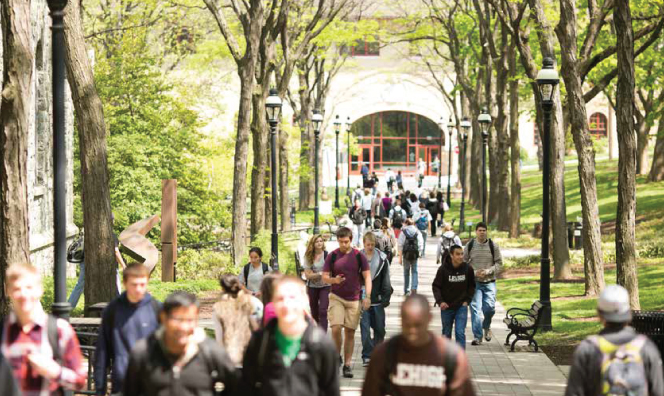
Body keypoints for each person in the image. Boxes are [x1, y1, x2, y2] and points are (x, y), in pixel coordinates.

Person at [239, 276, 340, 396]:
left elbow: (331, 390)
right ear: (273, 302)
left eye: (292, 298)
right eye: (280, 299)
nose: (286, 304)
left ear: (304, 300)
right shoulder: (260, 341)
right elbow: (246, 386)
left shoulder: (321, 343)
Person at [124, 291, 238, 396]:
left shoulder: (212, 351)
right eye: (178, 319)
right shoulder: (143, 352)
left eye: (190, 320)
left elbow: (238, 387)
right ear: (163, 318)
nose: (183, 327)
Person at [361, 294, 476, 396]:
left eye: (417, 325)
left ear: (429, 319)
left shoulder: (451, 356)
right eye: (407, 325)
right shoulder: (385, 353)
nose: (412, 331)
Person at [1, 264, 86, 395]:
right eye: (17, 288)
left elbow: (80, 382)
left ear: (40, 290)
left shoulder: (60, 330)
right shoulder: (3, 331)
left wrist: (55, 371)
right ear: (8, 291)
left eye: (29, 287)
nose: (23, 294)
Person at [564, 285, 664, 396]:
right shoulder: (646, 347)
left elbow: (573, 393)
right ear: (628, 314)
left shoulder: (587, 349)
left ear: (599, 314)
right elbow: (658, 391)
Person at [95, 263, 161, 395]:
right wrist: (100, 389)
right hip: (122, 382)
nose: (138, 289)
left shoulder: (157, 309)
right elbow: (102, 352)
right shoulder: (112, 310)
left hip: (151, 382)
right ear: (125, 283)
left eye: (142, 284)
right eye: (134, 284)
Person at [322, 227, 372, 379]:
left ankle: (348, 364)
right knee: (336, 328)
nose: (344, 244)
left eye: (346, 241)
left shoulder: (359, 256)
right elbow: (324, 277)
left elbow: (367, 277)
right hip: (336, 296)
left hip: (354, 299)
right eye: (341, 242)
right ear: (337, 241)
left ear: (351, 240)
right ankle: (337, 356)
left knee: (350, 332)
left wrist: (367, 296)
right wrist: (333, 280)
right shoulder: (332, 256)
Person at [68, 221, 126, 308]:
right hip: (104, 264)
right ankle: (119, 307)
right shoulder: (110, 235)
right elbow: (116, 251)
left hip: (85, 262)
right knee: (116, 284)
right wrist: (124, 265)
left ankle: (68, 307)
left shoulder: (90, 232)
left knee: (79, 285)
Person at [463, 222, 502, 346]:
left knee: (489, 308)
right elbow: (463, 264)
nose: (482, 232)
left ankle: (486, 326)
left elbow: (499, 264)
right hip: (474, 283)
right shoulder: (470, 245)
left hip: (489, 282)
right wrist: (474, 273)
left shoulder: (493, 246)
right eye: (480, 230)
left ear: (486, 231)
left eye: (484, 230)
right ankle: (477, 337)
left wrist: (488, 271)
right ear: (476, 232)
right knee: (475, 309)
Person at [432, 245, 475, 349]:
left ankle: (460, 360)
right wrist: (440, 301)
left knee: (460, 332)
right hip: (446, 306)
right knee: (446, 333)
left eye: (462, 254)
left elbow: (472, 286)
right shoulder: (443, 269)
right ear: (451, 255)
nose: (460, 256)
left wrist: (467, 301)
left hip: (461, 306)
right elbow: (436, 286)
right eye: (457, 254)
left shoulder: (468, 268)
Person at [360, 233, 393, 367]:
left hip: (378, 299)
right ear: (363, 244)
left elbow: (386, 278)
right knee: (365, 330)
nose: (370, 247)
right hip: (363, 300)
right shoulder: (358, 257)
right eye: (368, 245)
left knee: (380, 328)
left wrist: (386, 297)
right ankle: (367, 355)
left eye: (372, 245)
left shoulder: (382, 258)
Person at [213, 274, 260, 367]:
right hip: (250, 356)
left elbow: (219, 337)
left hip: (230, 358)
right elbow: (257, 329)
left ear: (222, 288)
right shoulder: (250, 302)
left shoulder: (218, 307)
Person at [303, 234, 331, 331]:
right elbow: (308, 275)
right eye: (317, 241)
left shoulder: (327, 255)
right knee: (314, 311)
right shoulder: (308, 256)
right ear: (313, 243)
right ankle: (316, 333)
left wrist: (315, 274)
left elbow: (330, 272)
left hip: (325, 286)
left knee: (323, 310)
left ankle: (323, 333)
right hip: (312, 287)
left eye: (321, 241)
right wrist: (320, 273)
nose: (319, 243)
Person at [398, 219, 424, 295]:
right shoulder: (417, 231)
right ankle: (414, 288)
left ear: (406, 223)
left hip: (406, 255)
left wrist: (400, 258)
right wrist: (419, 253)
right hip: (415, 254)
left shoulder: (403, 232)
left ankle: (406, 290)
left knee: (406, 272)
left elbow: (400, 245)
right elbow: (421, 243)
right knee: (414, 271)